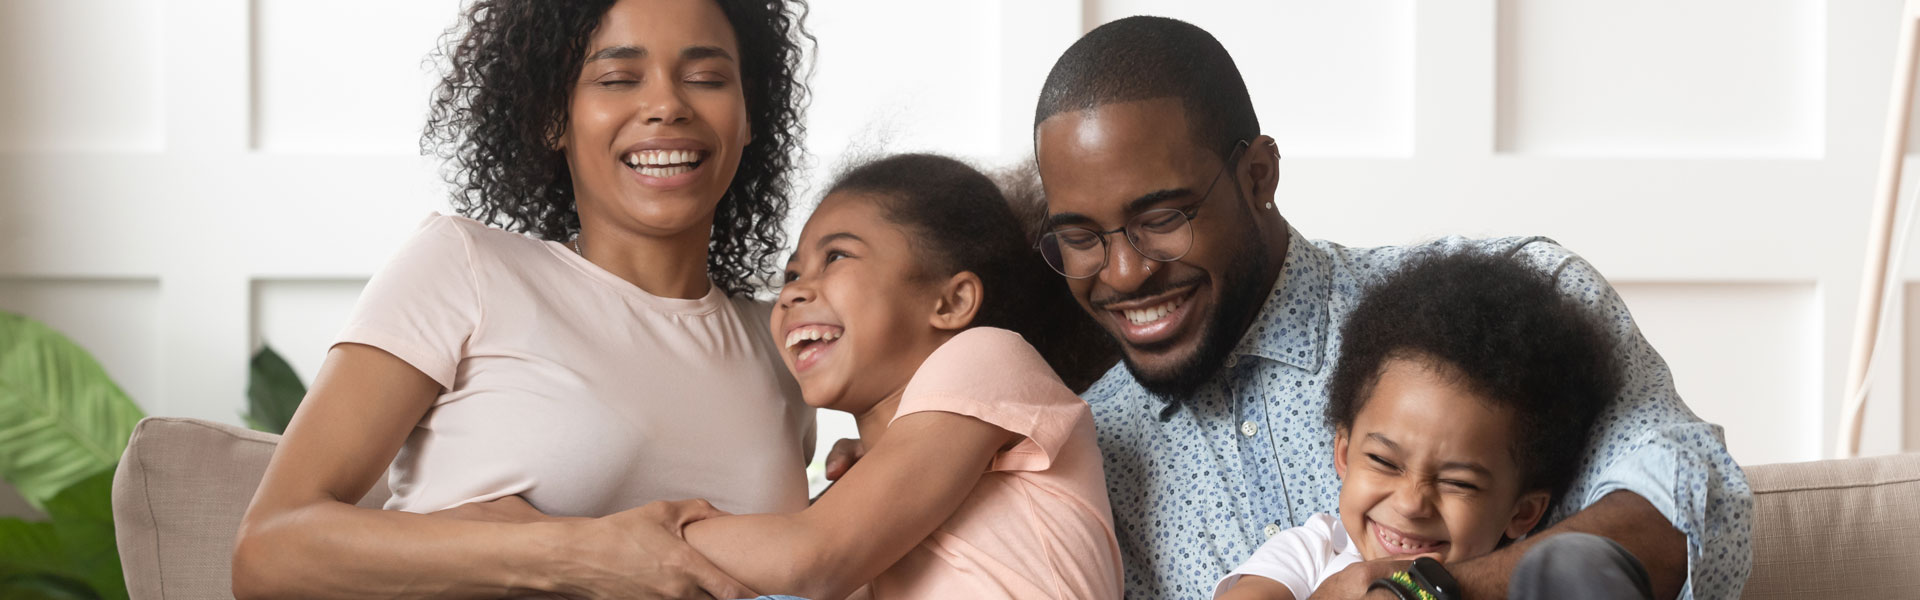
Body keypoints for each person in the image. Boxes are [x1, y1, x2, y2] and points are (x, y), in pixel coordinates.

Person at [1020, 15, 1753, 599]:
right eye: (1079, 237)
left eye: (1162, 218)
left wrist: (1425, 592)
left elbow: (1698, 512)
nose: (1123, 272)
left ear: (1258, 175)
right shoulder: (1086, 456)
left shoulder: (1518, 304)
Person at [232, 1, 812, 597]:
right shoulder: (465, 268)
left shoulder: (784, 344)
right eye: (616, 79)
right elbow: (268, 551)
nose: (667, 105)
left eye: (706, 79)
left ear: (749, 116)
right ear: (551, 118)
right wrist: (571, 553)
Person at [673, 153, 1121, 599]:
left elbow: (808, 558)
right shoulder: (876, 523)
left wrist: (632, 542)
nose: (792, 291)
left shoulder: (988, 354)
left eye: (835, 257)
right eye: (792, 273)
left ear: (952, 302)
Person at [1215, 251, 1628, 600]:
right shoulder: (1312, 551)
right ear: (1343, 453)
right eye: (1383, 460)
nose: (1412, 502)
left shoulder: (1522, 583)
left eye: (1458, 483)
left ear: (1522, 512)